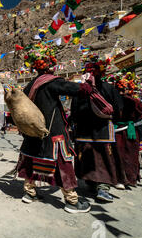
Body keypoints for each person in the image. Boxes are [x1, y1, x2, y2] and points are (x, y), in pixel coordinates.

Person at [16, 44, 92, 214]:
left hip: (33, 134)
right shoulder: (51, 82)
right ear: (50, 64)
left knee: (30, 161)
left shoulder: (29, 86)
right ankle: (72, 201)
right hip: (53, 133)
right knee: (63, 165)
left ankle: (29, 193)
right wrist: (87, 84)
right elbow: (77, 89)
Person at [71, 56, 123, 202]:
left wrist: (74, 125)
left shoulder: (80, 90)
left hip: (83, 132)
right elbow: (118, 110)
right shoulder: (109, 88)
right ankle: (103, 188)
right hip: (104, 130)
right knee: (104, 158)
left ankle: (91, 183)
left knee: (87, 157)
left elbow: (74, 112)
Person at [105, 72, 142, 188]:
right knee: (127, 155)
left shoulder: (113, 101)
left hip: (120, 131)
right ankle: (128, 178)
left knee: (121, 155)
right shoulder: (134, 101)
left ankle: (122, 179)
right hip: (128, 130)